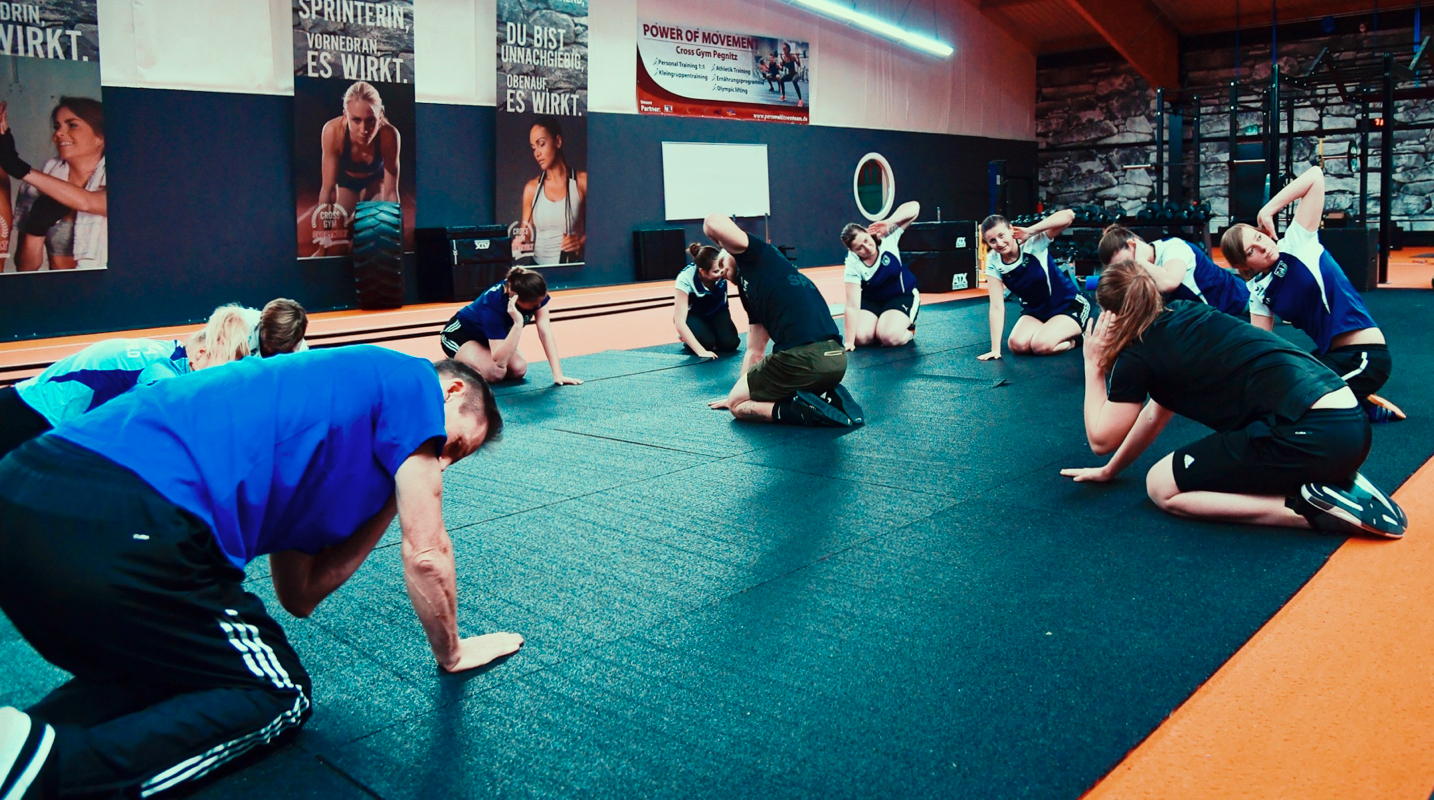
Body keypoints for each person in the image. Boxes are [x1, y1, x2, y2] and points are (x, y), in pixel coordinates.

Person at [0, 348, 522, 799]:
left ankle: (19, 744)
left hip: (24, 499)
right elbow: (427, 553)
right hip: (133, 514)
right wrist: (451, 651)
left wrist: (392, 494)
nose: (444, 464)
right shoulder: (410, 382)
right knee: (279, 693)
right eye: (453, 445)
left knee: (173, 673)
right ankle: (53, 773)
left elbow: (300, 595)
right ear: (451, 392)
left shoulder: (330, 438)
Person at [1060, 259, 1405, 539]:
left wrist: (1094, 366)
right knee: (1200, 461)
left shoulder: (1138, 355)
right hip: (1349, 424)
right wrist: (1111, 470)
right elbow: (1157, 412)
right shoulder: (1188, 311)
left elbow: (1101, 438)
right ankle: (1330, 479)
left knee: (1161, 487)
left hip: (1312, 436)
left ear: (1110, 313)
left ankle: (1306, 511)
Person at [1220, 166, 1404, 423]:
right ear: (1244, 266)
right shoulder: (1258, 292)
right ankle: (1356, 402)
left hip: (1365, 357)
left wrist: (1268, 209)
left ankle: (1356, 407)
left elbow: (1316, 176)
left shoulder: (1297, 243)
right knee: (1282, 395)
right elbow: (1263, 346)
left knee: (1300, 409)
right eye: (1251, 251)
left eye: (1257, 238)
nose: (1262, 246)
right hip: (1328, 358)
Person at [0, 305, 254, 461]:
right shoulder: (160, 370)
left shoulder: (168, 352)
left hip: (31, 411)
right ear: (201, 355)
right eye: (217, 373)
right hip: (26, 415)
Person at [702, 214, 861, 427]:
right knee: (740, 398)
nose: (721, 272)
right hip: (836, 362)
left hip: (801, 359)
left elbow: (712, 222)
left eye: (722, 262)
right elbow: (755, 351)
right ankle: (823, 393)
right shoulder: (753, 287)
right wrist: (740, 391)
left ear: (733, 250)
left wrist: (736, 400)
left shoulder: (759, 255)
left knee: (736, 407)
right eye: (719, 272)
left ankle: (800, 411)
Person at [0, 98, 107, 271]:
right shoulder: (36, 186)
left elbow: (88, 202)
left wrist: (18, 167)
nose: (59, 133)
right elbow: (25, 268)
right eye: (57, 127)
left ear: (100, 136)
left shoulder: (120, 177)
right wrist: (36, 229)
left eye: (72, 125)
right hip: (58, 290)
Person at [440, 266, 582, 385]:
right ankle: (455, 362)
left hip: (488, 339)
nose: (539, 306)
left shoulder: (534, 291)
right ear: (516, 299)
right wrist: (518, 324)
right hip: (460, 335)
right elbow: (500, 360)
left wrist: (558, 375)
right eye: (534, 305)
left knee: (518, 369)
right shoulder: (493, 305)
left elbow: (545, 332)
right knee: (496, 373)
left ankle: (476, 358)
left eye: (541, 301)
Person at [978, 209, 1089, 360]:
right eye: (992, 241)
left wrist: (1030, 231)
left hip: (1067, 305)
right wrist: (995, 349)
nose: (999, 243)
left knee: (1041, 345)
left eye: (1001, 235)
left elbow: (1069, 216)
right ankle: (1050, 331)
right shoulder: (993, 261)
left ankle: (1077, 339)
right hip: (1036, 311)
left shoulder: (1033, 243)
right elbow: (997, 306)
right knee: (1017, 345)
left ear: (1011, 230)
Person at [307, 81, 400, 257]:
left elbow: (390, 193)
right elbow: (328, 190)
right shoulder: (333, 131)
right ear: (345, 116)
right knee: (338, 245)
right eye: (356, 120)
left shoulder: (389, 135)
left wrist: (393, 238)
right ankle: (353, 221)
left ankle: (360, 221)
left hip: (375, 185)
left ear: (380, 116)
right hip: (346, 185)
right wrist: (322, 246)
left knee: (373, 239)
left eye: (370, 120)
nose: (364, 129)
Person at [1097, 226, 1249, 317]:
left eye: (1128, 262)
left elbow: (1168, 282)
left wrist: (1140, 261)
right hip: (1212, 318)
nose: (1128, 270)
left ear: (1133, 244)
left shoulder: (1174, 247)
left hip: (1240, 307)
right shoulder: (1142, 270)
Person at [840, 200, 921, 349]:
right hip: (873, 301)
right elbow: (852, 305)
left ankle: (907, 330)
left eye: (866, 240)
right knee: (860, 338)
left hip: (901, 295)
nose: (867, 247)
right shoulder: (852, 264)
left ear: (867, 232)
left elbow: (915, 207)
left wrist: (890, 222)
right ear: (853, 251)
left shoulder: (887, 237)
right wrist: (849, 342)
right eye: (860, 248)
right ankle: (880, 326)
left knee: (889, 338)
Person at [515, 117, 586, 266]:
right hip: (538, 270)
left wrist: (580, 244)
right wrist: (519, 243)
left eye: (541, 144)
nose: (537, 153)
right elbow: (525, 233)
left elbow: (601, 228)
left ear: (558, 142)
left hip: (571, 269)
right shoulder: (532, 188)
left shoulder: (582, 182)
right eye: (533, 148)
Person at [674, 243, 740, 358]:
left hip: (717, 311)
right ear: (702, 271)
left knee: (730, 344)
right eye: (715, 272)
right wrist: (701, 351)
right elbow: (679, 321)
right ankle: (689, 336)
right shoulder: (685, 279)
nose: (721, 274)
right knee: (706, 344)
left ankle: (709, 331)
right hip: (695, 315)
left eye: (721, 269)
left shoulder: (723, 271)